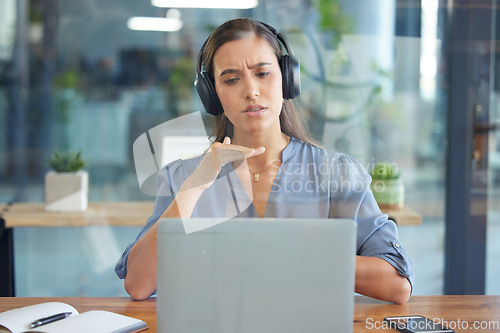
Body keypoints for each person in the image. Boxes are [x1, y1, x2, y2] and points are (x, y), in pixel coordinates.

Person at [115, 18, 414, 304]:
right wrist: (194, 187)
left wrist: (297, 254)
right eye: (231, 79)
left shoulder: (335, 173)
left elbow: (396, 284)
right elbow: (139, 284)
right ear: (213, 96)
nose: (251, 91)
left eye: (263, 73)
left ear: (287, 79)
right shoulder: (183, 177)